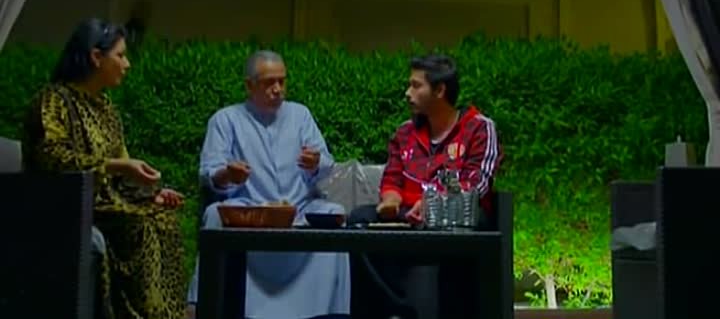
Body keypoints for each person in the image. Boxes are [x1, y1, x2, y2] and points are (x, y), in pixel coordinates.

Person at [22, 18, 187, 319]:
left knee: (164, 219)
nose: (127, 64)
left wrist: (152, 195)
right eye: (121, 55)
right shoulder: (54, 100)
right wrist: (114, 165)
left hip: (106, 207)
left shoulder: (106, 109)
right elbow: (52, 157)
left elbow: (121, 178)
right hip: (64, 205)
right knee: (138, 226)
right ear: (97, 57)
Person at [186, 50, 350, 319]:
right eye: (269, 83)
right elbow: (209, 173)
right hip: (250, 212)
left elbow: (325, 164)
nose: (278, 89)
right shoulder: (226, 120)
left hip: (297, 209)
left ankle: (334, 312)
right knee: (215, 213)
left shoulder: (300, 115)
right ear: (249, 86)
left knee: (334, 213)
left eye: (282, 81)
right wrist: (228, 174)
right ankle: (207, 304)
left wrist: (315, 163)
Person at [348, 54, 503, 319]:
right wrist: (390, 200)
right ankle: (395, 311)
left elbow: (476, 184)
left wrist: (432, 204)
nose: (407, 93)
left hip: (455, 217)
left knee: (455, 224)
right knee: (359, 220)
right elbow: (392, 177)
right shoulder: (404, 132)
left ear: (440, 90)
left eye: (416, 85)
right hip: (407, 215)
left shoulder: (478, 128)